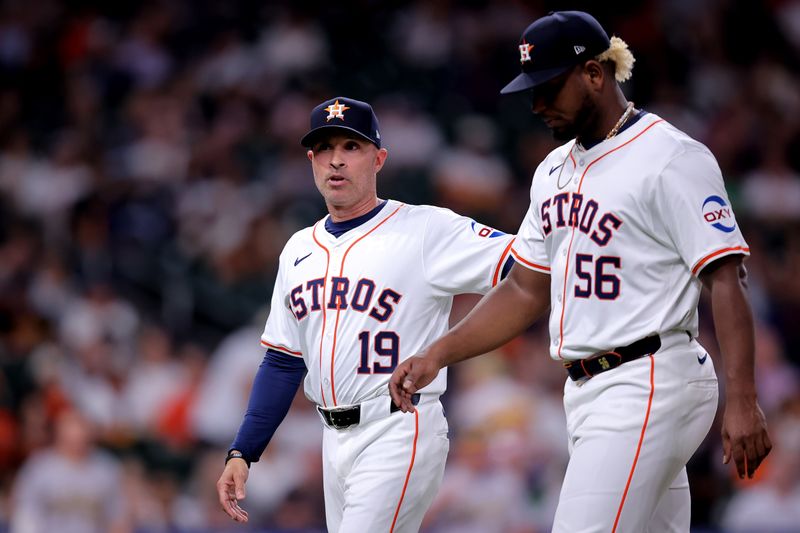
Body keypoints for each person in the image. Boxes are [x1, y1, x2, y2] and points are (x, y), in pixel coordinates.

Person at [389, 11, 772, 532]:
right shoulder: (551, 171)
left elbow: (726, 278)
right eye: (531, 90)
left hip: (649, 378)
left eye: (549, 87)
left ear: (594, 74)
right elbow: (525, 289)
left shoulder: (669, 156)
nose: (537, 105)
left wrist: (745, 400)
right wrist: (439, 352)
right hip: (589, 391)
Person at [215, 96, 514, 532]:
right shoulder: (298, 248)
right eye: (325, 149)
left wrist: (450, 347)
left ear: (379, 158)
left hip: (398, 427)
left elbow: (527, 266)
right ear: (311, 161)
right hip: (332, 440)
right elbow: (283, 360)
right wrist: (243, 451)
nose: (336, 161)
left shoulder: (425, 229)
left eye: (351, 147)